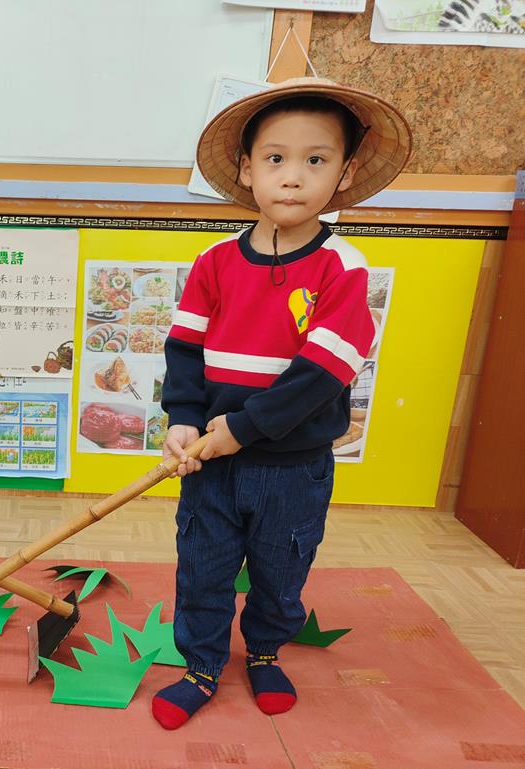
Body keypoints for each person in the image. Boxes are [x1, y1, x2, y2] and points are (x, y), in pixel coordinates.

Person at [152, 79, 411, 728]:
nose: (292, 176)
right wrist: (183, 419)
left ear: (343, 173)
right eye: (275, 158)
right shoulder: (214, 261)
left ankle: (265, 652)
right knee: (202, 569)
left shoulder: (342, 268)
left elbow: (320, 374)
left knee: (279, 572)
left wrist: (243, 428)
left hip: (291, 470)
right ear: (247, 168)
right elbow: (185, 350)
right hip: (211, 464)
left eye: (315, 160)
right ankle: (201, 665)